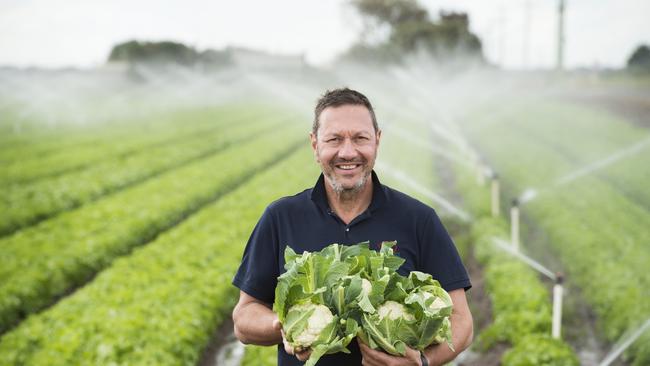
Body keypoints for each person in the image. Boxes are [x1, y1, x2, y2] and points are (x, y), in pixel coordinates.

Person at [232, 87, 473, 366]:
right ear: (315, 145)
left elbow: (462, 321)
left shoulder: (419, 219)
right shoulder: (280, 217)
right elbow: (244, 317)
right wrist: (285, 325)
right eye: (334, 139)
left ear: (377, 142)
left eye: (360, 138)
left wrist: (422, 362)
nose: (348, 152)